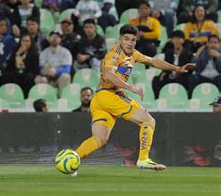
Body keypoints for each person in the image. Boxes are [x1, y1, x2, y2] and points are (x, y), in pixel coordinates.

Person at [73, 24, 195, 174]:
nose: (130, 43)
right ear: (120, 39)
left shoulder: (134, 54)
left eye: (133, 40)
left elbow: (153, 61)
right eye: (126, 39)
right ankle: (143, 159)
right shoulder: (114, 54)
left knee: (100, 138)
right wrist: (132, 88)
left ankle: (72, 158)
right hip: (109, 95)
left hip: (99, 100)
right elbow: (109, 76)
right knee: (148, 121)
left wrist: (177, 68)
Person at [152, 30, 193, 98]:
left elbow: (190, 69)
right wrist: (163, 73)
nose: (176, 41)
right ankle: (158, 98)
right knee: (156, 79)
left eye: (179, 38)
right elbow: (165, 66)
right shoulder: (168, 53)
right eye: (174, 39)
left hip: (182, 76)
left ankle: (185, 98)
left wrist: (180, 71)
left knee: (186, 79)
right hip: (169, 76)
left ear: (183, 40)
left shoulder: (188, 53)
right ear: (172, 40)